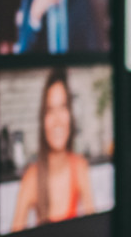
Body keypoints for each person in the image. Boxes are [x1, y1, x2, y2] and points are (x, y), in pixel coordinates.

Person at [11, 69, 93, 228]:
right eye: (50, 109)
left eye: (63, 107)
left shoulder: (80, 167)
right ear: (43, 120)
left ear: (70, 114)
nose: (57, 120)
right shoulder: (31, 178)